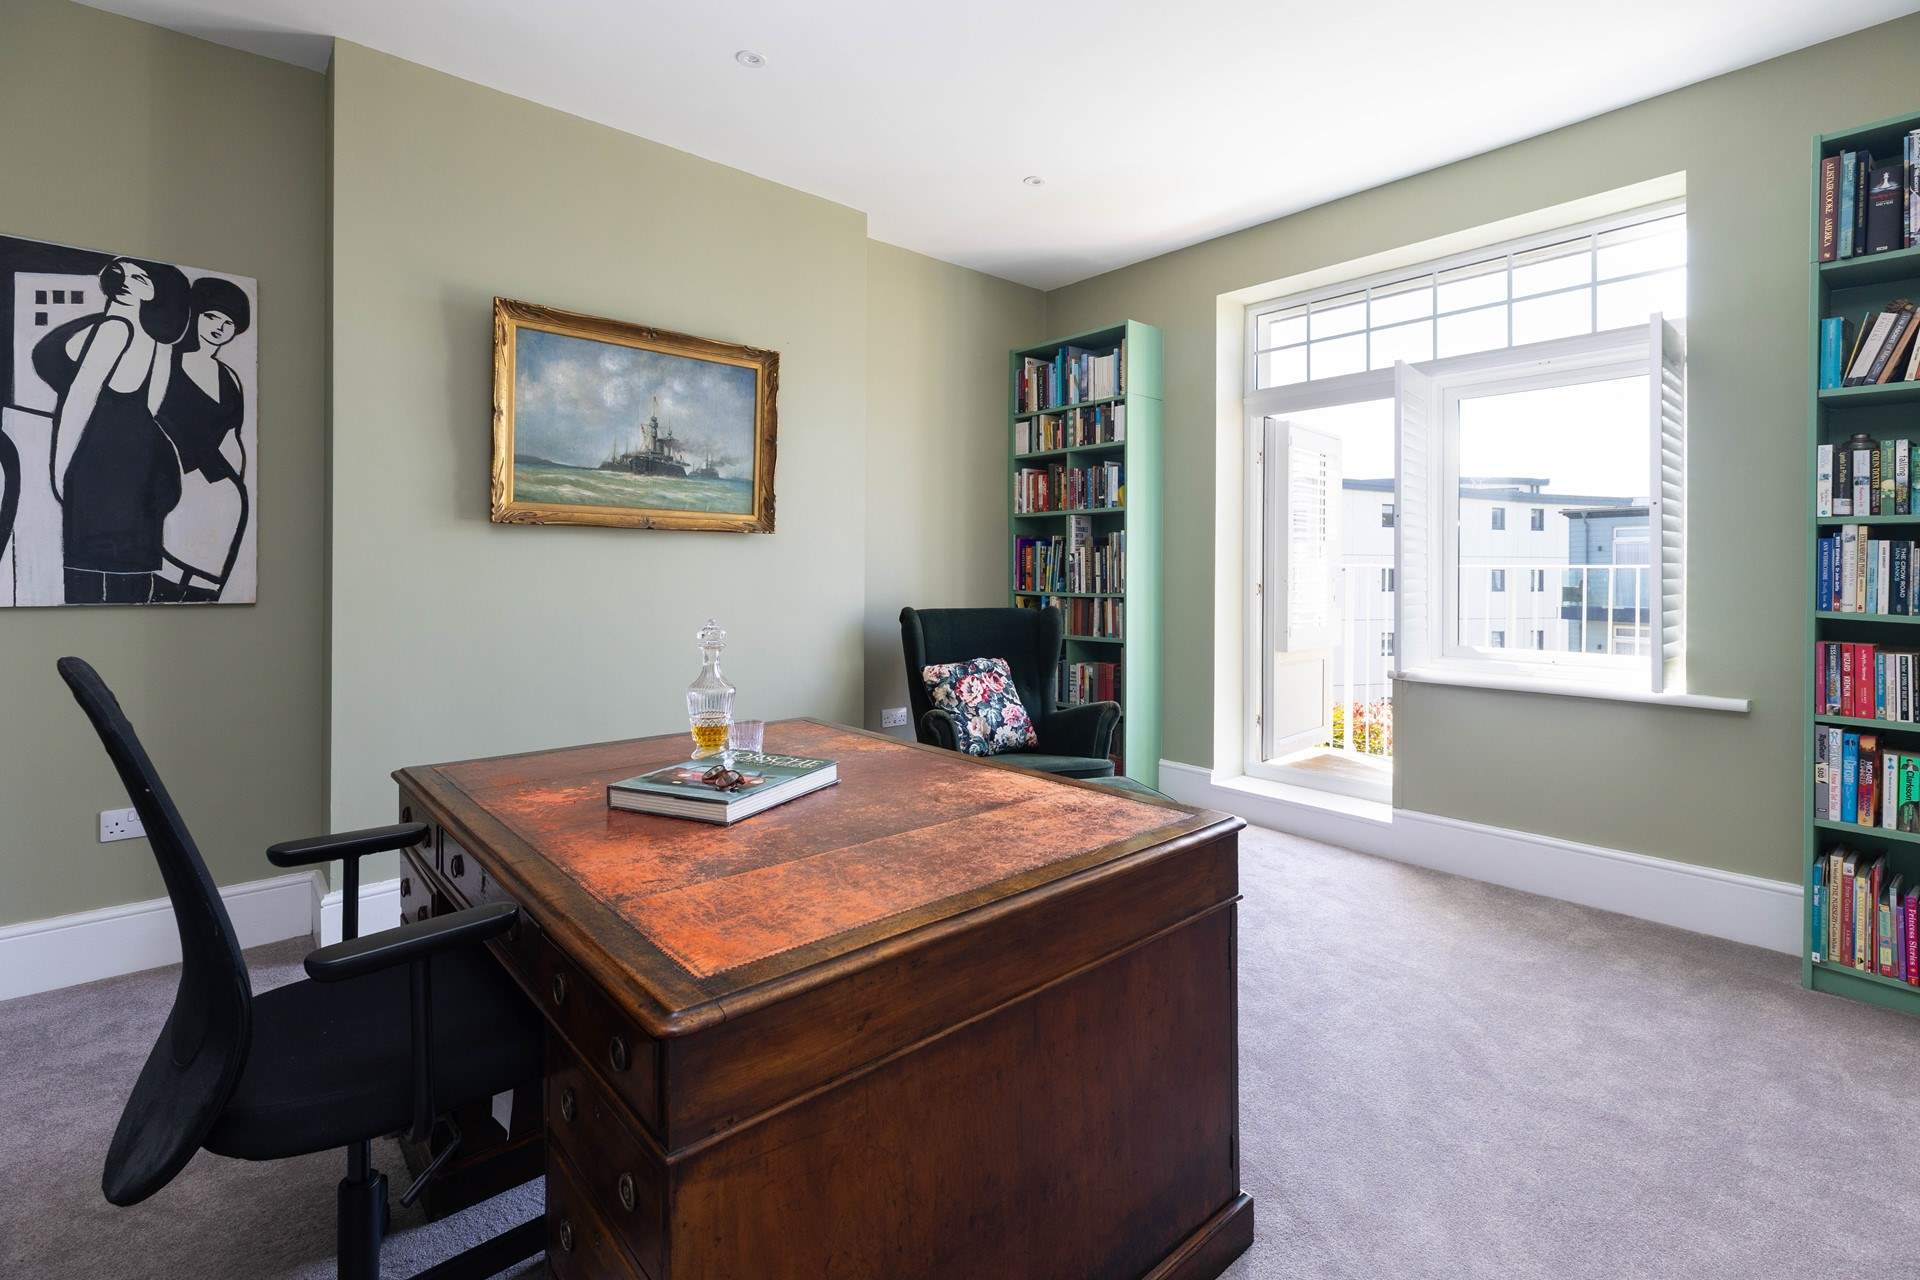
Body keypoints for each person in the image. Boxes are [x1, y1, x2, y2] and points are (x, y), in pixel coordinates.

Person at [33, 256, 190, 604]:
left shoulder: (114, 328)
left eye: (141, 279)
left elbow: (79, 400)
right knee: (133, 579)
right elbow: (150, 407)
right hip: (141, 467)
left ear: (156, 295)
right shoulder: (160, 344)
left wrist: (61, 471)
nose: (127, 281)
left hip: (98, 467)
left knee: (84, 577)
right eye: (124, 273)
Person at [152, 276, 250, 602]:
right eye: (212, 316)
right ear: (196, 314)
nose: (219, 327)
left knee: (201, 595)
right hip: (173, 490)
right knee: (159, 592)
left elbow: (231, 439)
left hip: (222, 503)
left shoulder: (229, 377)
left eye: (229, 322)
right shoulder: (165, 359)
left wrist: (236, 484)